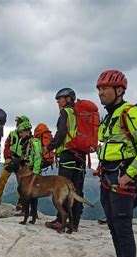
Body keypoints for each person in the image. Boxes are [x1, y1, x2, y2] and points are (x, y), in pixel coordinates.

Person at [96, 69, 137, 257]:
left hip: (121, 176)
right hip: (108, 174)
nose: (101, 92)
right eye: (99, 89)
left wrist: (130, 174)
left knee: (122, 226)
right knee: (113, 224)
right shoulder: (111, 115)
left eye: (105, 88)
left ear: (119, 90)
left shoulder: (130, 112)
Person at [45, 87, 86, 232]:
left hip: (68, 154)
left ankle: (60, 221)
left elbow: (61, 132)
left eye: (60, 99)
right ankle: (74, 223)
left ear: (68, 99)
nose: (58, 102)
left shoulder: (66, 112)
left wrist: (50, 147)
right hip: (81, 156)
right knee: (77, 189)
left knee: (62, 189)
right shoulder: (80, 113)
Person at [0, 115, 30, 205]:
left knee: (21, 182)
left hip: (21, 161)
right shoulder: (12, 133)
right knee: (3, 178)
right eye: (17, 122)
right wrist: (7, 157)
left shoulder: (28, 136)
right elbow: (7, 145)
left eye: (19, 121)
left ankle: (21, 202)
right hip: (11, 159)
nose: (17, 123)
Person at [18, 120, 43, 216]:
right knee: (25, 191)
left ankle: (32, 213)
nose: (20, 134)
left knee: (32, 193)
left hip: (32, 171)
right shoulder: (25, 142)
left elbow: (37, 157)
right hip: (26, 172)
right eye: (20, 132)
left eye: (22, 132)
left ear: (28, 131)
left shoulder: (34, 142)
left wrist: (35, 173)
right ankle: (29, 212)